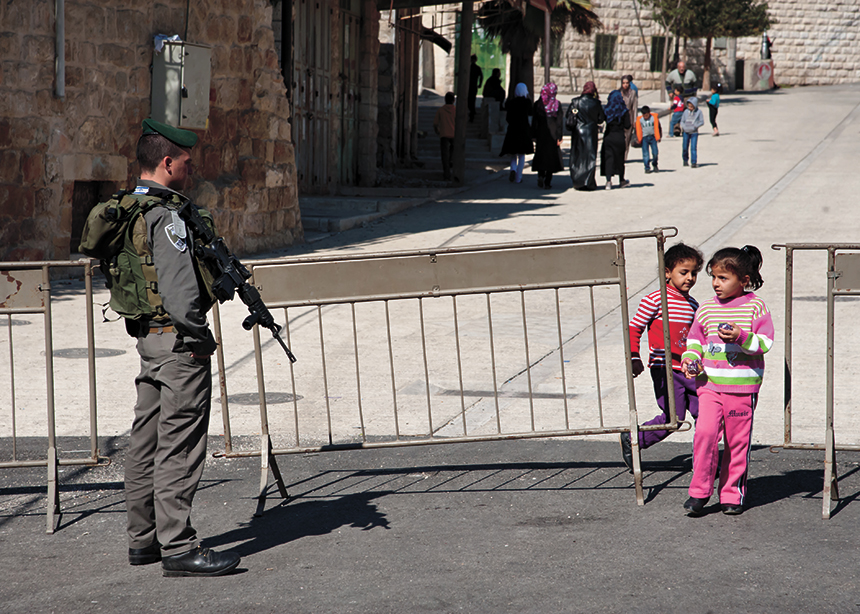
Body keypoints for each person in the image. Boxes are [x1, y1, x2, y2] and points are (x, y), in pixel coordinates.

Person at [124, 119, 241, 576]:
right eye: (186, 163)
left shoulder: (129, 208)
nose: (191, 171)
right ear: (167, 162)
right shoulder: (168, 217)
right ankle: (178, 547)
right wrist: (197, 336)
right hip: (177, 345)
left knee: (144, 441)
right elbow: (178, 292)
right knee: (179, 445)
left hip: (148, 340)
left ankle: (143, 541)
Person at [681, 245, 774, 516]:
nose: (715, 284)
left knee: (737, 442)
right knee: (705, 435)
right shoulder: (707, 308)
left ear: (744, 280)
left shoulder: (756, 306)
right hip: (709, 385)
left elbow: (765, 342)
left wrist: (741, 337)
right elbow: (695, 340)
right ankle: (699, 492)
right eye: (713, 277)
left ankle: (732, 493)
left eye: (723, 278)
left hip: (742, 389)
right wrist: (690, 359)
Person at [620, 243, 704, 471]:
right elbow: (634, 327)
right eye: (683, 272)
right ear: (667, 272)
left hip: (690, 369)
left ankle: (704, 461)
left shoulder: (693, 304)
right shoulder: (656, 299)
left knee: (705, 416)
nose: (690, 278)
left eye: (694, 273)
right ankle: (633, 439)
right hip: (665, 369)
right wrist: (634, 357)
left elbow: (697, 338)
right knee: (673, 419)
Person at [566, 81, 605, 191]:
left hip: (578, 132)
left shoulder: (575, 101)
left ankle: (577, 181)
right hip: (591, 133)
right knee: (590, 158)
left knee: (577, 157)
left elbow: (568, 115)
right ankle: (588, 181)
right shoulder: (596, 103)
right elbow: (601, 119)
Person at [531, 82, 564, 189]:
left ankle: (540, 175)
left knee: (541, 155)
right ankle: (547, 181)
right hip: (553, 134)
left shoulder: (538, 104)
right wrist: (559, 136)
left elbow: (534, 121)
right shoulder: (557, 105)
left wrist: (534, 134)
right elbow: (559, 122)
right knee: (551, 158)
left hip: (541, 133)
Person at [499, 83, 533, 184]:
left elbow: (508, 118)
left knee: (513, 153)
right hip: (523, 131)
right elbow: (531, 114)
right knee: (521, 155)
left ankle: (513, 169)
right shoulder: (527, 103)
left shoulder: (511, 102)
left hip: (513, 130)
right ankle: (518, 178)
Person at [600, 89, 631, 190]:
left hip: (609, 136)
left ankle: (608, 181)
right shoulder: (624, 111)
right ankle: (621, 180)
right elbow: (627, 125)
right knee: (620, 159)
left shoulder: (607, 110)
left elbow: (600, 120)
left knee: (609, 158)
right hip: (619, 137)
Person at [433, 92, 456, 180]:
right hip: (454, 135)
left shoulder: (441, 110)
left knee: (444, 155)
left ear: (445, 100)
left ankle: (446, 173)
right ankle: (451, 163)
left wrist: (438, 132)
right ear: (453, 100)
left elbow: (435, 124)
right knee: (453, 153)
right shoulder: (455, 110)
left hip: (444, 135)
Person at [634, 105, 662, 174]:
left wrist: (659, 136)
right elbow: (637, 130)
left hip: (653, 137)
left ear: (649, 113)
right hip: (644, 138)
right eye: (644, 115)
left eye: (646, 115)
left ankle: (655, 164)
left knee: (655, 152)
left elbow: (659, 127)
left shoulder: (654, 118)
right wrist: (637, 138)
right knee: (645, 154)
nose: (645, 117)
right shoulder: (640, 120)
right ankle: (647, 167)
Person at [680, 97, 705, 168]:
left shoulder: (699, 112)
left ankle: (694, 162)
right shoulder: (685, 112)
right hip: (686, 132)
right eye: (689, 106)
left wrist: (695, 126)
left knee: (693, 147)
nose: (690, 108)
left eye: (691, 106)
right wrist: (684, 127)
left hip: (694, 133)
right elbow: (682, 121)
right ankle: (685, 160)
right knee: (685, 147)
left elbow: (702, 122)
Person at [620, 75, 639, 158]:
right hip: (620, 117)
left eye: (627, 83)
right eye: (623, 83)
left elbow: (634, 107)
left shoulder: (633, 93)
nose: (625, 85)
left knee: (627, 138)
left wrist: (635, 120)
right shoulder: (618, 92)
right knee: (620, 138)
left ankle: (624, 156)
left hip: (629, 117)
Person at [468, 54, 483, 122]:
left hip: (471, 86)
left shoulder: (470, 68)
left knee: (470, 100)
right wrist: (480, 84)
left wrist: (480, 84)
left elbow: (481, 77)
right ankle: (472, 112)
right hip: (473, 86)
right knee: (472, 100)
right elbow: (481, 77)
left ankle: (472, 113)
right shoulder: (476, 68)